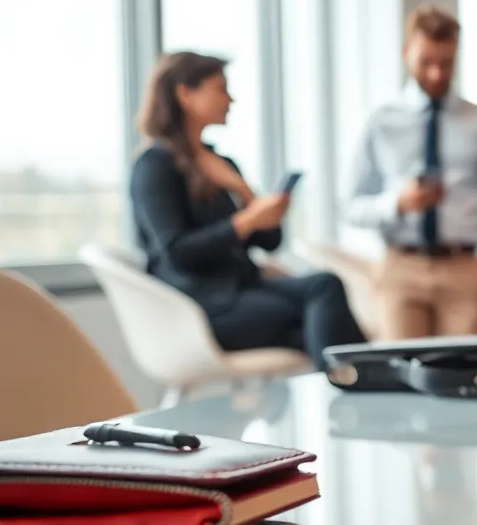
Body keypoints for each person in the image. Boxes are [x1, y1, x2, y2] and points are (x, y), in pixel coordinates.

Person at [129, 52, 366, 368]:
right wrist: (247, 219)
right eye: (220, 89)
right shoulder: (154, 166)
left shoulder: (220, 164)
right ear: (185, 94)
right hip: (201, 306)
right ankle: (358, 387)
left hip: (245, 289)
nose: (230, 99)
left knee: (324, 286)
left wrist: (246, 193)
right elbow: (177, 251)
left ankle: (350, 386)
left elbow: (269, 242)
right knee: (313, 321)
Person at [347, 6, 477, 339]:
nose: (437, 74)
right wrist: (397, 203)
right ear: (406, 53)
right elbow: (352, 205)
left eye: (447, 63)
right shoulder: (381, 121)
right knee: (402, 378)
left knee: (466, 376)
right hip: (400, 267)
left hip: (464, 267)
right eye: (427, 62)